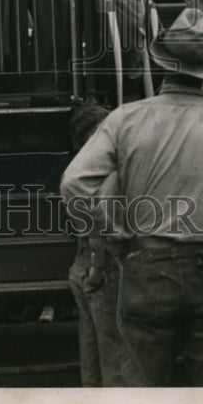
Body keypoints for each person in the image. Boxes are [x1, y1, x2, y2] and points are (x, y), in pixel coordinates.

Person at [60, 8, 203, 387]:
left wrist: (116, 235)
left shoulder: (126, 118)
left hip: (145, 266)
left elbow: (74, 183)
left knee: (144, 391)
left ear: (164, 64)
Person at [66, 103, 128, 387]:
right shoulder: (105, 173)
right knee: (113, 357)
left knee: (90, 355)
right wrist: (98, 267)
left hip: (82, 264)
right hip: (100, 266)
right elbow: (100, 222)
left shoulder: (78, 170)